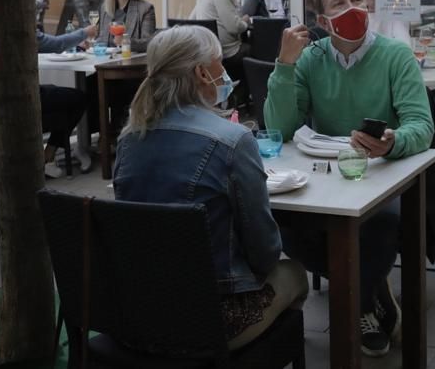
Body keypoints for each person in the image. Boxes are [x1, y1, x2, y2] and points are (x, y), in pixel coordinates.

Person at [264, 0, 434, 357]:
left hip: (381, 173)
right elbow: (280, 128)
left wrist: (392, 142)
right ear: (323, 22)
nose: (353, 9)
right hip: (328, 173)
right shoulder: (311, 58)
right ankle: (371, 293)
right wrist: (285, 65)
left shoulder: (395, 55)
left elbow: (421, 127)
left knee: (383, 223)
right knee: (284, 222)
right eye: (339, 4)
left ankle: (357, 304)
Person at [113, 26, 308, 349]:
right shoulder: (232, 141)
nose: (225, 72)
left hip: (137, 313)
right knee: (294, 273)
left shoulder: (129, 139)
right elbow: (265, 254)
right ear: (203, 73)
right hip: (214, 321)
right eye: (220, 63)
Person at [0, 0, 96, 178]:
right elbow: (56, 45)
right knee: (77, 98)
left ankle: (44, 156)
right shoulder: (17, 29)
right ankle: (49, 153)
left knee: (54, 92)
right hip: (21, 102)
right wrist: (85, 32)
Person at [190, 0, 251, 87]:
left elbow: (191, 20)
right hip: (229, 52)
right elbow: (234, 27)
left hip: (208, 53)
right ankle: (249, 94)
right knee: (256, 49)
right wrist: (246, 21)